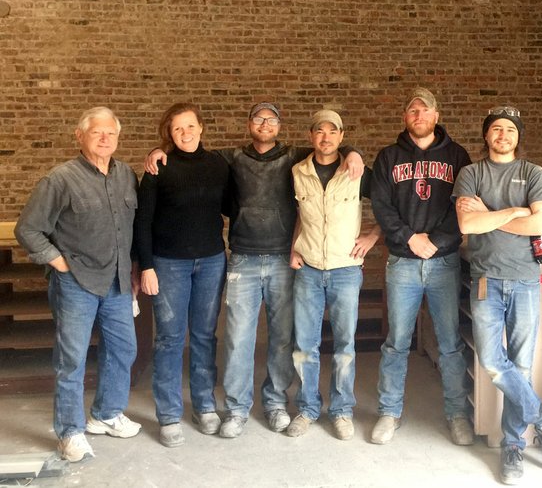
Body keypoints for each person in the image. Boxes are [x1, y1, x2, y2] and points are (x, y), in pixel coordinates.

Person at [145, 102, 363, 438]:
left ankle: (275, 404)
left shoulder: (293, 156)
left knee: (280, 339)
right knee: (237, 339)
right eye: (258, 119)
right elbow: (189, 153)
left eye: (271, 119)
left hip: (284, 260)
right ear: (249, 124)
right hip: (243, 259)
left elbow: (329, 144)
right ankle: (236, 408)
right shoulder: (229, 159)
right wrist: (159, 150)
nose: (265, 124)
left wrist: (353, 151)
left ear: (280, 125)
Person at [15, 107, 141, 462]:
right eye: (97, 132)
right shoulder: (60, 179)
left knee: (123, 350)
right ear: (80, 136)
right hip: (75, 284)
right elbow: (28, 229)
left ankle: (105, 414)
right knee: (71, 359)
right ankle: (69, 432)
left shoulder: (126, 176)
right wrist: (59, 263)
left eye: (111, 133)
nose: (105, 139)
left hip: (116, 282)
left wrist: (131, 270)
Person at [454, 106, 542, 484]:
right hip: (486, 279)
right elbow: (468, 223)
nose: (503, 134)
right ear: (486, 135)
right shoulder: (471, 174)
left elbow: (541, 223)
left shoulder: (532, 172)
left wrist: (494, 213)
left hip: (526, 280)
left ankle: (513, 446)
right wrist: (516, 211)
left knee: (522, 366)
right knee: (493, 362)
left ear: (518, 136)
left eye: (510, 130)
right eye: (496, 129)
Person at [370, 87, 473, 446]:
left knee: (449, 343)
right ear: (405, 117)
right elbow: (382, 205)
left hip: (443, 261)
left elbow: (463, 205)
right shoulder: (388, 157)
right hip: (402, 261)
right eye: (412, 110)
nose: (418, 115)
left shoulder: (458, 156)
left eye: (424, 110)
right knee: (396, 342)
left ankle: (457, 413)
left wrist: (438, 241)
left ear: (436, 116)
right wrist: (410, 237)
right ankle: (389, 412)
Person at [134, 103, 230, 447]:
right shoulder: (159, 167)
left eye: (190, 126)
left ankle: (204, 405)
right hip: (168, 264)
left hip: (211, 261)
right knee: (170, 339)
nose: (186, 133)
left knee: (205, 335)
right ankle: (169, 414)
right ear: (169, 134)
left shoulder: (219, 165)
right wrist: (146, 266)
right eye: (177, 129)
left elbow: (232, 206)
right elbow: (142, 220)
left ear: (201, 128)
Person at [286, 109, 381, 441]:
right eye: (319, 131)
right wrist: (294, 246)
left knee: (344, 346)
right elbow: (299, 213)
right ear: (311, 136)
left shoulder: (357, 171)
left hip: (345, 270)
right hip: (309, 269)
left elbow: (389, 205)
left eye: (333, 132)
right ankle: (308, 408)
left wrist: (372, 236)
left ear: (342, 136)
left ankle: (341, 411)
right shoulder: (297, 171)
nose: (325, 137)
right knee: (304, 346)